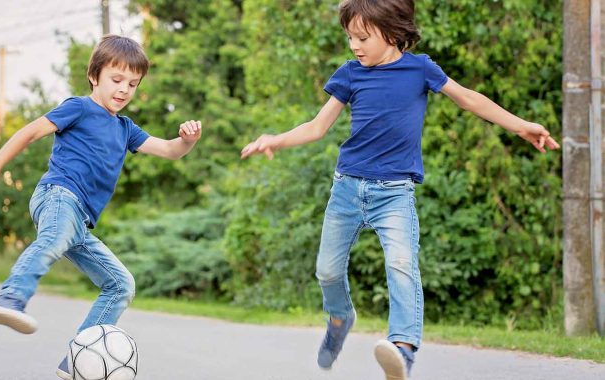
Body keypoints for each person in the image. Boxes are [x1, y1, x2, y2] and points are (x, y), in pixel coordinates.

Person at [240, 1, 559, 379]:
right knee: (326, 271)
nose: (354, 45)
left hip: (394, 192)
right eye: (349, 37)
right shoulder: (349, 75)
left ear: (392, 32)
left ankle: (403, 349)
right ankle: (340, 318)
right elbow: (316, 127)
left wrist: (521, 125)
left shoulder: (420, 69)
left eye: (362, 37)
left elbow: (469, 99)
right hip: (347, 188)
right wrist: (276, 139)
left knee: (402, 264)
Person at [0, 35, 202, 379]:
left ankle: (77, 359)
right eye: (116, 79)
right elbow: (29, 133)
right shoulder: (79, 107)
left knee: (121, 284)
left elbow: (169, 150)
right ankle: (11, 297)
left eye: (133, 84)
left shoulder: (126, 129)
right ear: (95, 76)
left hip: (81, 221)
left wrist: (187, 140)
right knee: (55, 236)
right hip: (58, 195)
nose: (124, 89)